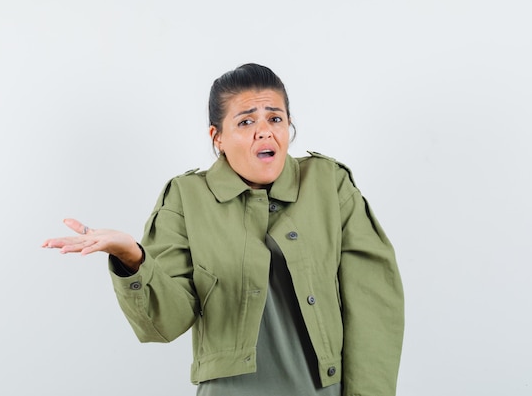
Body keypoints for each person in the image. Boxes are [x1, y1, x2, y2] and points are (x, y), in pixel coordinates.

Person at [42, 63, 404, 395]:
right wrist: (132, 258)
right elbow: (164, 322)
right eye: (246, 122)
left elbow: (374, 304)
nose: (264, 131)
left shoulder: (330, 184)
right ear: (218, 137)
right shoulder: (185, 197)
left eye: (275, 119)